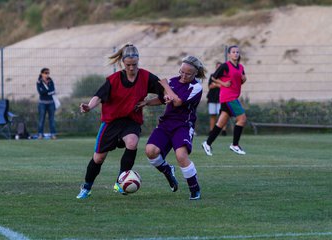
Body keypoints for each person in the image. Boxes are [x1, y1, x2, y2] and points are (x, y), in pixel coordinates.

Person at [76, 43, 165, 199]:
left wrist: (148, 102)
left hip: (131, 120)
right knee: (99, 158)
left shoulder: (146, 77)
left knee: (132, 142)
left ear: (138, 61)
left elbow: (163, 95)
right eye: (128, 65)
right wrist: (89, 107)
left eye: (134, 65)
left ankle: (120, 182)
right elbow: (98, 96)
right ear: (123, 63)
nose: (131, 68)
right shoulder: (114, 79)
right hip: (111, 122)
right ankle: (87, 187)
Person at [140, 56, 206, 200]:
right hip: (166, 124)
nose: (183, 75)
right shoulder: (173, 81)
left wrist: (165, 85)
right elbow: (164, 99)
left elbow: (177, 102)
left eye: (187, 74)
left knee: (181, 156)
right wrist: (146, 103)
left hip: (183, 125)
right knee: (150, 151)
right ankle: (167, 170)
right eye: (181, 71)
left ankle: (195, 190)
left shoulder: (196, 87)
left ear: (195, 73)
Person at [202, 45, 247, 156]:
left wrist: (244, 80)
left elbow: (240, 81)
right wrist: (223, 84)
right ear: (229, 54)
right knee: (242, 119)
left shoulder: (241, 67)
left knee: (221, 123)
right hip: (228, 97)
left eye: (237, 52)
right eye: (233, 52)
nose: (236, 53)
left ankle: (207, 143)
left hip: (233, 96)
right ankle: (235, 145)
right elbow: (213, 77)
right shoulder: (225, 66)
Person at [207, 61, 227, 136]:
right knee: (213, 115)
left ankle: (223, 131)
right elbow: (210, 86)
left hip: (222, 98)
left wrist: (216, 84)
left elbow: (224, 86)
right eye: (217, 66)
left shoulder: (224, 76)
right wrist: (218, 84)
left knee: (222, 115)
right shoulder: (212, 75)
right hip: (212, 98)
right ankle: (211, 131)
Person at [36, 68, 57, 140]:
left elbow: (53, 90)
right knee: (41, 119)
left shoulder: (50, 81)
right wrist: (48, 91)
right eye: (45, 73)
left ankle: (53, 134)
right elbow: (41, 92)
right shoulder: (39, 82)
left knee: (52, 119)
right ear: (42, 73)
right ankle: (40, 134)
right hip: (42, 103)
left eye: (48, 73)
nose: (47, 74)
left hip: (51, 103)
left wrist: (47, 91)